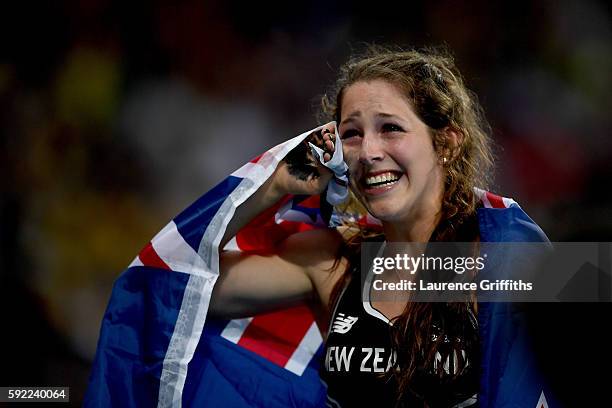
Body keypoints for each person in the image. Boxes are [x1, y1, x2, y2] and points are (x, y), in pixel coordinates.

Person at [209, 46, 499, 407]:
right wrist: (276, 185)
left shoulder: (501, 259)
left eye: (390, 128)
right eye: (351, 134)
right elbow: (188, 283)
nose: (368, 152)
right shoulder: (335, 259)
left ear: (446, 143)